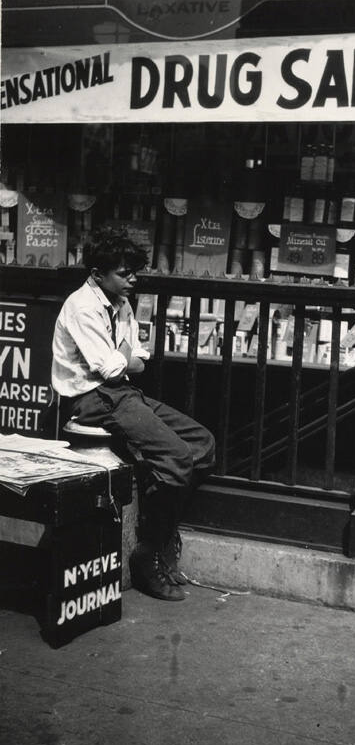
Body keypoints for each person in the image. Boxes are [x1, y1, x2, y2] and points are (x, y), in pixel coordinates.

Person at [51, 228, 216, 601]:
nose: (133, 280)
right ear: (97, 274)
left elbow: (138, 358)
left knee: (202, 444)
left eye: (134, 272)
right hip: (91, 398)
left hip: (120, 392)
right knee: (175, 457)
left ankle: (161, 531)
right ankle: (148, 552)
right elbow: (113, 367)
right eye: (124, 273)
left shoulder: (121, 304)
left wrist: (126, 357)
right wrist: (127, 358)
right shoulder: (82, 306)